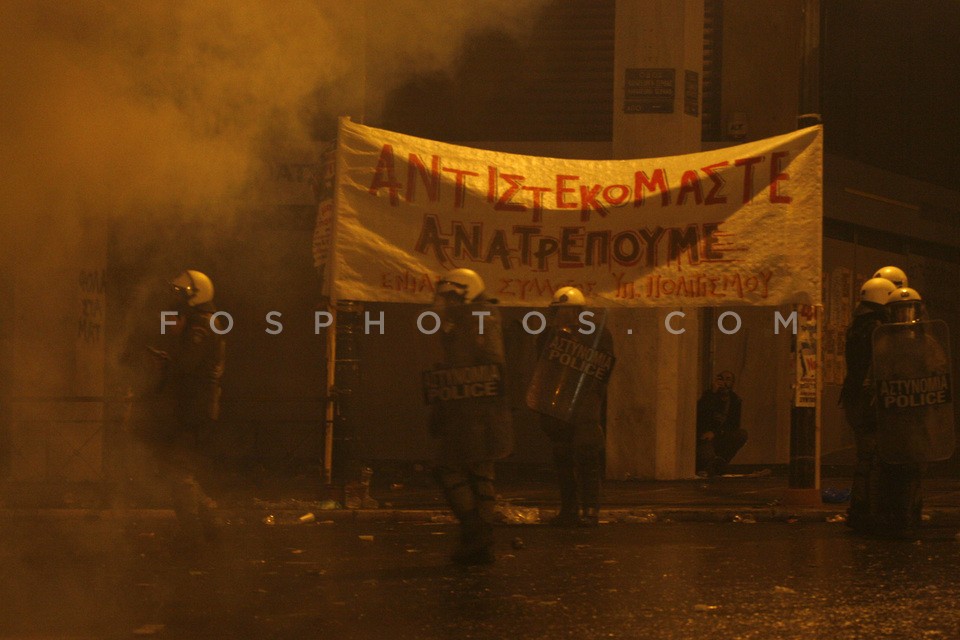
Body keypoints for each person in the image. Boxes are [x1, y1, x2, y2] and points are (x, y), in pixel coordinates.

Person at [427, 268, 512, 565]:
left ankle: (476, 533)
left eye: (452, 296)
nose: (447, 302)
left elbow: (486, 364)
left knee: (453, 468)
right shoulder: (471, 317)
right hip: (474, 409)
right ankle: (479, 537)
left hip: (473, 410)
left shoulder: (478, 318)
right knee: (478, 471)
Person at [146, 269, 226, 547]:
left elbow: (189, 365)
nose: (177, 298)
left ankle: (191, 535)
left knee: (179, 471)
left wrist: (170, 359)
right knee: (180, 470)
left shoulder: (201, 326)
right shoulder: (198, 322)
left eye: (182, 293)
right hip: (191, 405)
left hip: (194, 407)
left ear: (197, 294)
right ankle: (211, 523)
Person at [535, 286, 614, 527]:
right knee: (563, 457)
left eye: (569, 311)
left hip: (585, 406)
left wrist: (593, 402)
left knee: (587, 456)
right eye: (560, 311)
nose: (564, 316)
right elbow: (543, 372)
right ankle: (569, 509)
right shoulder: (547, 337)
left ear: (579, 312)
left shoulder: (598, 335)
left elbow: (603, 370)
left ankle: (590, 510)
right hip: (558, 406)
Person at [839, 276, 897, 533]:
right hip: (868, 398)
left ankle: (862, 509)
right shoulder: (877, 326)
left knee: (866, 455)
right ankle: (868, 511)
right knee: (872, 456)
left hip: (853, 396)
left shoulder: (858, 324)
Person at [696, 370, 747, 477]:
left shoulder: (735, 400)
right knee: (706, 456)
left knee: (741, 434)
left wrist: (716, 433)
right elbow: (701, 415)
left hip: (720, 435)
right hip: (705, 436)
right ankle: (710, 466)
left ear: (732, 383)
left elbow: (733, 425)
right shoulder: (709, 395)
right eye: (721, 379)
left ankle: (719, 462)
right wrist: (713, 393)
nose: (724, 382)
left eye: (728, 379)